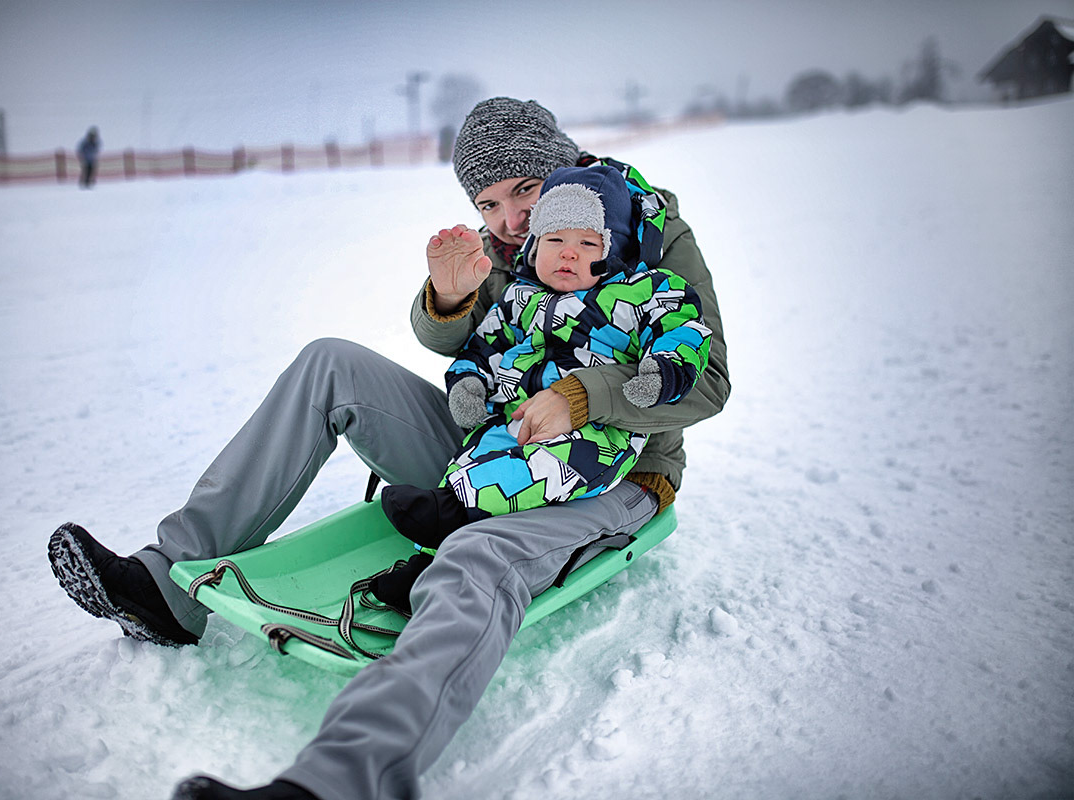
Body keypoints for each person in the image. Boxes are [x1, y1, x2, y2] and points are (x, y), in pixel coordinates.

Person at [47, 97, 729, 800]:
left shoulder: (653, 231)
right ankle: (167, 586)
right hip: (496, 444)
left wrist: (582, 396)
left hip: (612, 470)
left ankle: (338, 782)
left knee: (477, 554)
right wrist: (447, 300)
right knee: (329, 362)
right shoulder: (506, 245)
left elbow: (708, 379)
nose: (510, 221)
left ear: (562, 169)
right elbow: (468, 343)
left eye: (525, 190)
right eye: (488, 204)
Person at [370, 164, 713, 612]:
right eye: (554, 240)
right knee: (472, 458)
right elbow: (485, 346)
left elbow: (684, 330)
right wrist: (469, 382)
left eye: (588, 243)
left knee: (540, 470)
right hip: (516, 418)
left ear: (614, 249)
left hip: (598, 432)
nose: (568, 253)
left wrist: (662, 371)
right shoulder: (520, 297)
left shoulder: (643, 293)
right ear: (534, 247)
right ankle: (426, 562)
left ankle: (455, 514)